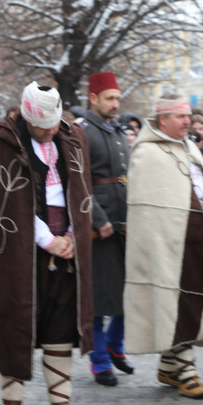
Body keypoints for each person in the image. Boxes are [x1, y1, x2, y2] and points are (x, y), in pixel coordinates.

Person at [0, 82, 95, 405]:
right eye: (44, 127)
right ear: (26, 117)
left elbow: (79, 191)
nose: (51, 131)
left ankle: (61, 403)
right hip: (20, 253)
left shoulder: (71, 139)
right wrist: (46, 240)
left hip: (65, 249)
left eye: (55, 124)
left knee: (60, 325)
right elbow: (5, 204)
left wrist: (72, 235)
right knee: (15, 322)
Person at [123, 93, 203, 399]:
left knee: (193, 301)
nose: (188, 121)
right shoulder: (147, 154)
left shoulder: (189, 146)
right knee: (178, 305)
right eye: (181, 117)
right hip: (168, 245)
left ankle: (169, 365)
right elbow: (149, 213)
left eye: (188, 116)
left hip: (200, 236)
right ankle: (187, 371)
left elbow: (200, 186)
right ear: (163, 119)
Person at [82, 72, 135, 386]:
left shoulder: (117, 131)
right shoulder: (84, 132)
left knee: (127, 293)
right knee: (100, 299)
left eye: (117, 98)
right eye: (109, 99)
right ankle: (99, 361)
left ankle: (115, 348)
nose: (116, 104)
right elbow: (79, 183)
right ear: (93, 99)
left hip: (125, 223)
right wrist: (97, 219)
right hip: (99, 226)